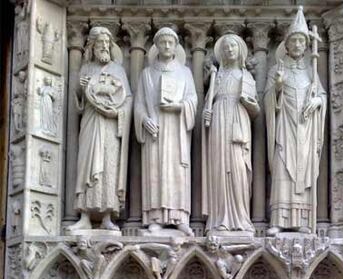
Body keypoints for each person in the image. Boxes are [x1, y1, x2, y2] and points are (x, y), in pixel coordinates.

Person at [264, 6, 326, 235]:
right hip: (285, 129)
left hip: (306, 129)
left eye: (302, 41)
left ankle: (302, 220)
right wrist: (278, 86)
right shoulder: (276, 69)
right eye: (294, 41)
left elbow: (321, 95)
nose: (298, 44)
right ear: (287, 45)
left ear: (306, 45)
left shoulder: (312, 71)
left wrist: (318, 102)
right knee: (283, 169)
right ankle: (279, 220)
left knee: (303, 172)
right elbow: (268, 100)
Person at [135, 27, 197, 236]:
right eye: (163, 43)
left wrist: (180, 107)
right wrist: (144, 120)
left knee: (177, 170)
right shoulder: (146, 74)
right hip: (156, 130)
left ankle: (179, 217)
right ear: (157, 46)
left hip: (177, 129)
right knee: (156, 171)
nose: (167, 46)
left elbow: (192, 100)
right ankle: (155, 217)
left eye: (171, 42)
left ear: (176, 46)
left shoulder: (185, 72)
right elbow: (139, 104)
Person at [69, 26, 132, 232]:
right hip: (91, 119)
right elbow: (77, 98)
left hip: (110, 124)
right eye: (100, 44)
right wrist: (81, 87)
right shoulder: (86, 69)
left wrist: (117, 113)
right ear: (92, 47)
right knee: (86, 164)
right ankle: (85, 216)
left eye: (107, 43)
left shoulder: (118, 70)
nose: (104, 47)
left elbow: (127, 99)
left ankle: (107, 217)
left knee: (108, 166)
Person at [202, 34, 259, 234]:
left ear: (240, 50)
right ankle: (220, 219)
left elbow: (256, 110)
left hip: (238, 121)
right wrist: (206, 114)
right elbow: (209, 101)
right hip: (219, 121)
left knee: (238, 168)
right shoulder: (216, 76)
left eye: (233, 46)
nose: (229, 50)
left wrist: (248, 103)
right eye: (225, 47)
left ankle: (241, 218)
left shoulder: (246, 76)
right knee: (219, 168)